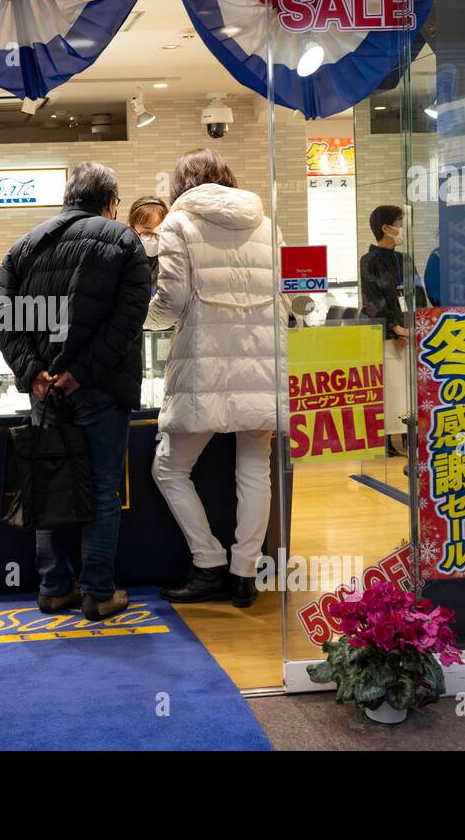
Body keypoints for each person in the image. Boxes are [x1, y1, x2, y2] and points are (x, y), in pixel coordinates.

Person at [0, 161, 151, 621]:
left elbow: (4, 317)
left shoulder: (24, 245)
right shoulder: (123, 241)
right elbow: (129, 318)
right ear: (111, 202)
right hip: (100, 390)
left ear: (68, 198)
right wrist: (81, 371)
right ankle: (98, 592)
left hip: (46, 395)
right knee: (102, 488)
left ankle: (54, 587)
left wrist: (34, 374)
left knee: (49, 484)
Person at [146, 148, 284, 606]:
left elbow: (171, 297)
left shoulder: (178, 223)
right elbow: (288, 297)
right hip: (264, 359)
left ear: (180, 184)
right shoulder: (267, 223)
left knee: (169, 467)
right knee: (254, 465)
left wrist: (142, 322)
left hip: (204, 359)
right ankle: (245, 574)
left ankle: (207, 563)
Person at [359, 205, 412, 457]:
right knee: (392, 387)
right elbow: (373, 300)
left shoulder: (404, 259)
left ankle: (408, 436)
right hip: (386, 334)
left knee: (408, 387)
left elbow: (415, 294)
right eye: (400, 222)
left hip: (408, 334)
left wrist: (411, 327)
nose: (402, 227)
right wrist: (395, 328)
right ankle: (390, 440)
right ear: (386, 228)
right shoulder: (369, 261)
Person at [127, 196, 169, 287]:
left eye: (158, 232)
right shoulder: (125, 257)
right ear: (132, 228)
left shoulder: (170, 258)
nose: (153, 238)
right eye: (147, 232)